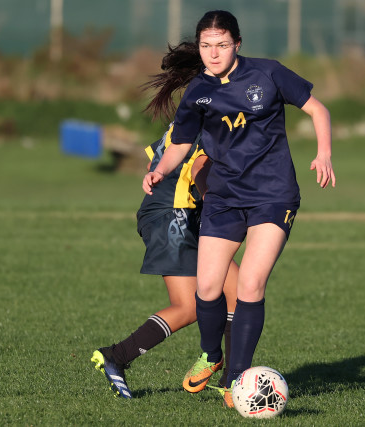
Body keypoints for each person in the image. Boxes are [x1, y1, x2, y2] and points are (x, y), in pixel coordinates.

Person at [142, 10, 335, 407]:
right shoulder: (198, 91)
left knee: (249, 284)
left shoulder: (268, 73)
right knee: (208, 287)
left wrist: (324, 153)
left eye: (222, 45)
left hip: (273, 195)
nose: (213, 53)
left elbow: (318, 110)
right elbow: (181, 142)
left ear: (237, 44)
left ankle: (235, 379)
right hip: (224, 196)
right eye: (206, 46)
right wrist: (160, 170)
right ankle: (211, 355)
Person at [92, 123, 238, 398]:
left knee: (237, 290)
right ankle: (116, 356)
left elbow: (153, 162)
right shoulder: (218, 118)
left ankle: (231, 379)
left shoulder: (190, 116)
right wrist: (215, 208)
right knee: (188, 306)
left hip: (178, 213)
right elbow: (199, 167)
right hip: (173, 217)